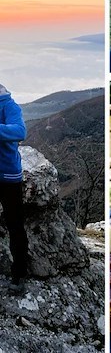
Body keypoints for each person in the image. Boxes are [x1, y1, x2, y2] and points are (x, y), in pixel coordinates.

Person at [0, 84, 29, 292]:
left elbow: (20, 131)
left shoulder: (10, 106)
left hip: (8, 176)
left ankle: (19, 275)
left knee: (15, 225)